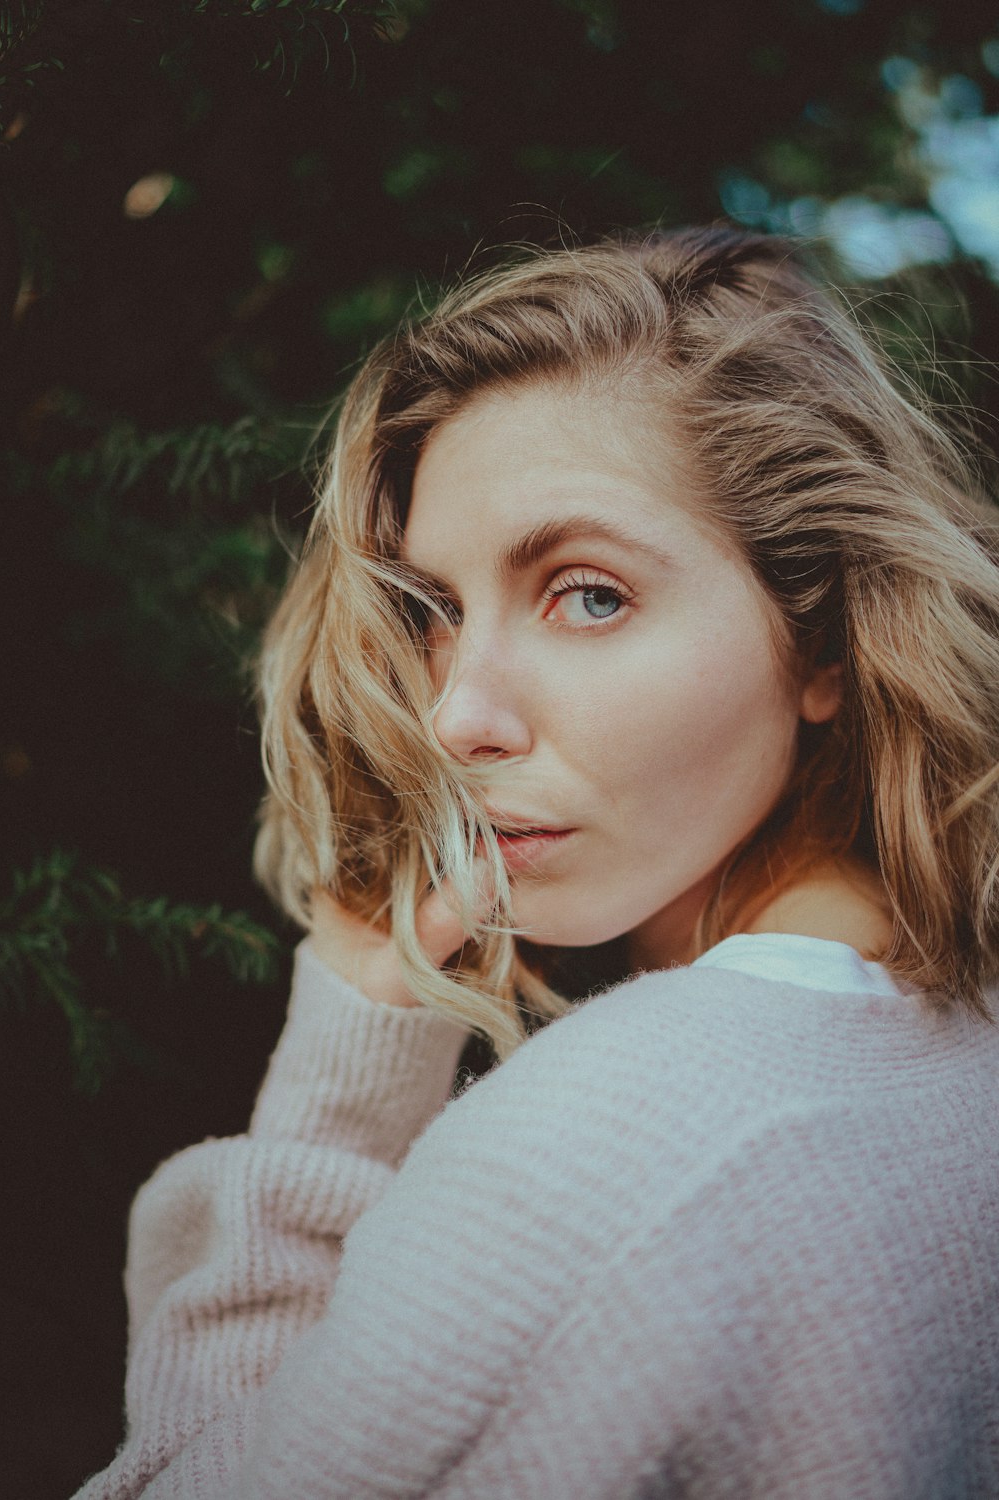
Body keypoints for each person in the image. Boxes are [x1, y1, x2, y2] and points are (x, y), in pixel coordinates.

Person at [75, 226, 999, 1500]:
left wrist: (345, 1060)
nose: (455, 715)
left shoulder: (601, 1151)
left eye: (587, 594)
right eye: (434, 612)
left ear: (824, 634)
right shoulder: (959, 1052)